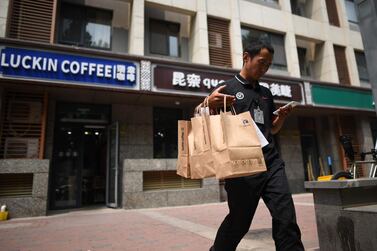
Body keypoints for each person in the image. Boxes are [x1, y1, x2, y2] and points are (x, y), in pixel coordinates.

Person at [203, 40, 305, 251]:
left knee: (286, 217)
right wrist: (207, 103)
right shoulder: (226, 88)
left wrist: (282, 118)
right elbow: (207, 123)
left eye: (268, 65)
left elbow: (271, 130)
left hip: (271, 162)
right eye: (261, 62)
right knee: (239, 222)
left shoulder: (266, 93)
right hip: (243, 167)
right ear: (246, 57)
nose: (264, 68)